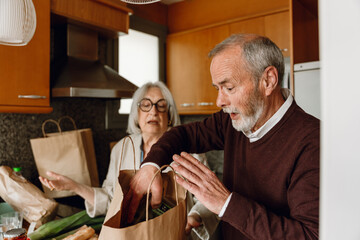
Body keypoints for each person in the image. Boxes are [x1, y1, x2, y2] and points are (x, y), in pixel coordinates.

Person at [123, 34, 320, 239]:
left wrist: (227, 203)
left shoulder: (312, 141)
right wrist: (150, 165)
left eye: (229, 88)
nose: (219, 101)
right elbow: (183, 135)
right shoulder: (232, 120)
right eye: (217, 88)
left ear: (268, 80)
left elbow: (309, 236)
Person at [39, 81, 219, 240]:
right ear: (136, 114)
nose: (153, 111)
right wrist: (74, 186)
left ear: (169, 115)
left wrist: (195, 217)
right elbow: (112, 200)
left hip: (175, 234)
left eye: (161, 105)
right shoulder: (121, 149)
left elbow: (208, 198)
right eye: (146, 105)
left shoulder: (190, 152)